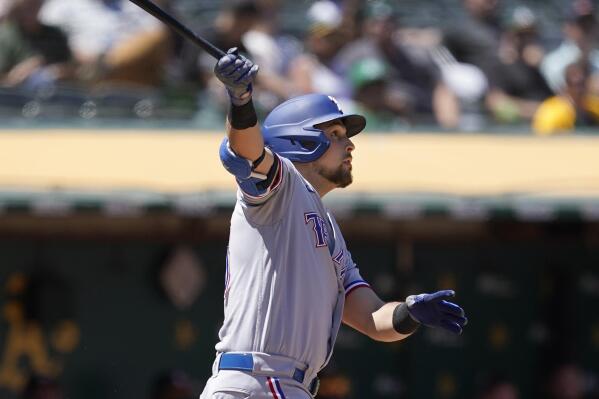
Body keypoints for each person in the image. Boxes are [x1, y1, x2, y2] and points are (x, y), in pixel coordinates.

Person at [199, 49, 468, 398]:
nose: (350, 144)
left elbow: (373, 319)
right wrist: (241, 99)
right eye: (337, 134)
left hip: (289, 385)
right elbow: (248, 153)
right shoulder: (284, 189)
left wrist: (410, 311)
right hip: (253, 380)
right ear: (303, 140)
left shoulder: (328, 226)